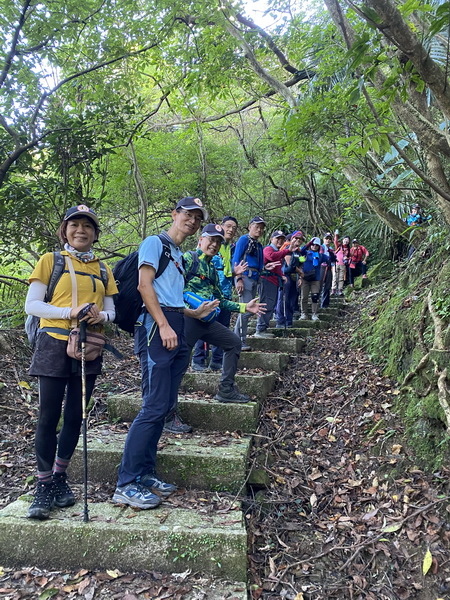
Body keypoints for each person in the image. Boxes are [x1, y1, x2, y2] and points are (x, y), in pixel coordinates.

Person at [112, 197, 218, 509]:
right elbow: (146, 287)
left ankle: (145, 473)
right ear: (174, 214)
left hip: (175, 322)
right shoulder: (154, 243)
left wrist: (193, 314)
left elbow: (169, 295)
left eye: (198, 218)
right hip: (156, 327)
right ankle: (126, 482)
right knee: (153, 406)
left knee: (164, 404)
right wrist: (163, 325)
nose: (193, 221)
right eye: (188, 215)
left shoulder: (179, 255)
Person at [24, 205, 119, 520]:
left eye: (88, 226)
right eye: (75, 225)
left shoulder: (103, 269)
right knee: (49, 415)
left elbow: (112, 312)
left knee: (76, 415)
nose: (81, 230)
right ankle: (44, 484)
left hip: (88, 345)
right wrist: (69, 312)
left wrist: (98, 315)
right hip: (53, 342)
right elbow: (34, 304)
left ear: (95, 234)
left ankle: (61, 476)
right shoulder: (50, 262)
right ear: (64, 230)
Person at [182, 223, 266, 403]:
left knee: (233, 343)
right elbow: (172, 288)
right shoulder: (188, 259)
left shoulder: (212, 267)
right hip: (187, 318)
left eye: (218, 242)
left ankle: (226, 390)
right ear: (201, 240)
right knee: (179, 363)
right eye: (211, 240)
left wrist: (244, 307)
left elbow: (220, 298)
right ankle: (167, 411)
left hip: (207, 321)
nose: (214, 245)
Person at [191, 216, 246, 372]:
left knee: (222, 328)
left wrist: (235, 274)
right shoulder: (199, 252)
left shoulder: (229, 247)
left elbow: (224, 272)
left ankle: (216, 361)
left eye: (234, 228)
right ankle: (198, 360)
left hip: (224, 294)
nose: (231, 230)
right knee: (204, 328)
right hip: (205, 296)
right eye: (228, 226)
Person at [254, 230, 297, 338]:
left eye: (282, 239)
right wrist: (287, 251)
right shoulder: (269, 249)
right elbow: (272, 257)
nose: (280, 241)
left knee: (271, 304)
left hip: (274, 281)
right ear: (271, 239)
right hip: (266, 280)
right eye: (277, 238)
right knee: (266, 304)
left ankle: (263, 328)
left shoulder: (278, 251)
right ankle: (260, 329)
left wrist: (282, 275)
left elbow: (277, 266)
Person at [233, 216, 266, 351]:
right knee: (245, 310)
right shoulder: (244, 240)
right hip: (245, 277)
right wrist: (238, 278)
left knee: (248, 310)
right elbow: (236, 259)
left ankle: (239, 339)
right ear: (249, 227)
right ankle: (239, 340)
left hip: (255, 278)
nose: (259, 230)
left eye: (261, 228)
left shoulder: (258, 245)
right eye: (256, 227)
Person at [276, 233, 303, 328]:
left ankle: (289, 320)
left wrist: (300, 277)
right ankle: (280, 320)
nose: (298, 241)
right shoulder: (287, 248)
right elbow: (290, 263)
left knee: (292, 299)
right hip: (285, 276)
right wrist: (300, 273)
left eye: (300, 239)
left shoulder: (299, 252)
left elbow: (301, 263)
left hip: (294, 277)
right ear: (292, 239)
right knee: (284, 299)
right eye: (296, 238)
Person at [298, 237, 329, 321]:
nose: (314, 246)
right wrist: (309, 243)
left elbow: (330, 259)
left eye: (316, 245)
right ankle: (303, 313)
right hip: (305, 278)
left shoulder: (321, 256)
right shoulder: (306, 253)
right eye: (313, 245)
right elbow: (301, 251)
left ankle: (314, 314)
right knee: (304, 297)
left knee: (315, 296)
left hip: (315, 279)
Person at [320, 233, 336, 308]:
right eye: (327, 239)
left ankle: (325, 304)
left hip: (329, 268)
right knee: (319, 285)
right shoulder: (321, 247)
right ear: (323, 239)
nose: (328, 240)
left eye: (329, 239)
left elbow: (334, 259)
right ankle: (317, 303)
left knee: (327, 286)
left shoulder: (331, 249)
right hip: (321, 268)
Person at [332, 231, 350, 295]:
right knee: (335, 277)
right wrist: (336, 235)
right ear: (343, 240)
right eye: (345, 239)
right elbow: (335, 241)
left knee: (341, 278)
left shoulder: (349, 249)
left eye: (347, 240)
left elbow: (350, 257)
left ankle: (340, 290)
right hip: (336, 263)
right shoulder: (339, 246)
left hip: (343, 265)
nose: (346, 241)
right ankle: (333, 290)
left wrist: (347, 259)